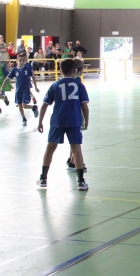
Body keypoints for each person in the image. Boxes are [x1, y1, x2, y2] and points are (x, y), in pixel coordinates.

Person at [36, 58, 90, 190]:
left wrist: (40, 121)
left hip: (58, 120)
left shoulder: (55, 85)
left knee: (50, 148)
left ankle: (43, 178)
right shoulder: (80, 86)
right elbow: (85, 107)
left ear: (60, 70)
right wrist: (86, 121)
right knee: (76, 149)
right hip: (74, 120)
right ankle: (81, 181)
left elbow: (44, 105)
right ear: (75, 70)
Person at [1, 52, 39, 126]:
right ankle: (24, 118)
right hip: (18, 90)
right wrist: (2, 89)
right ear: (17, 61)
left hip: (26, 89)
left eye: (23, 60)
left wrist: (36, 87)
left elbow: (33, 77)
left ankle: (33, 107)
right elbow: (7, 79)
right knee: (19, 105)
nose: (21, 62)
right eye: (20, 60)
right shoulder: (14, 70)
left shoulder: (27, 68)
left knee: (24, 105)